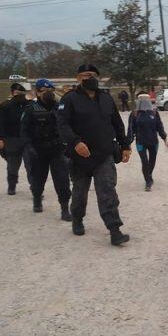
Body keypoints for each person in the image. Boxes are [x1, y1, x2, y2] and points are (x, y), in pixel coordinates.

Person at [56, 64, 132, 246]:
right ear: (77, 79)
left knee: (107, 191)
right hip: (80, 156)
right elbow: (62, 124)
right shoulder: (69, 99)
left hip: (104, 154)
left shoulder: (106, 98)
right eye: (84, 75)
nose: (88, 78)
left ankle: (114, 230)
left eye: (91, 75)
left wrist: (125, 145)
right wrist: (75, 142)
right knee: (80, 192)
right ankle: (77, 219)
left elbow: (117, 123)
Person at [21, 78, 72, 220]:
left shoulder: (59, 108)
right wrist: (28, 147)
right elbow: (24, 132)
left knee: (62, 180)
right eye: (45, 91)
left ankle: (64, 208)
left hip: (57, 150)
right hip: (38, 151)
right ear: (37, 92)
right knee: (38, 180)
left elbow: (68, 126)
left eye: (51, 91)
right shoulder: (30, 109)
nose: (48, 94)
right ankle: (37, 199)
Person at [0, 83, 33, 195]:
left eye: (21, 93)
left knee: (31, 165)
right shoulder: (5, 106)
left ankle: (35, 188)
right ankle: (12, 185)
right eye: (17, 93)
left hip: (28, 140)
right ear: (12, 93)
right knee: (12, 166)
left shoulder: (31, 106)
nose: (19, 95)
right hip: (11, 140)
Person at [127, 94, 168, 191]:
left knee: (152, 161)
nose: (144, 101)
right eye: (142, 99)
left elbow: (159, 127)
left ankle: (149, 175)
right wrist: (128, 143)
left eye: (146, 99)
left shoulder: (154, 113)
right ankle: (148, 182)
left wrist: (165, 139)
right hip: (140, 142)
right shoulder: (134, 114)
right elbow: (130, 129)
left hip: (154, 142)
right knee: (144, 162)